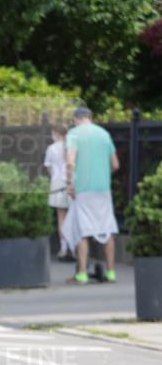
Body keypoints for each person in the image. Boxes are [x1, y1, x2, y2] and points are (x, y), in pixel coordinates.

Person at [61, 106, 119, 284]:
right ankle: (111, 273)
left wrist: (70, 184)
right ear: (90, 117)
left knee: (82, 232)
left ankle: (82, 274)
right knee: (106, 228)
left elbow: (70, 162)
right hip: (103, 190)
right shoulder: (104, 134)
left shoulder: (73, 134)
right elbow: (115, 164)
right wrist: (103, 174)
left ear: (75, 119)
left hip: (83, 190)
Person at [43, 123, 73, 261]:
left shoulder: (51, 148)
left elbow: (48, 168)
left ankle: (63, 247)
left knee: (61, 216)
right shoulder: (71, 146)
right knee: (72, 215)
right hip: (71, 182)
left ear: (56, 134)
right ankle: (73, 247)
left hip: (57, 182)